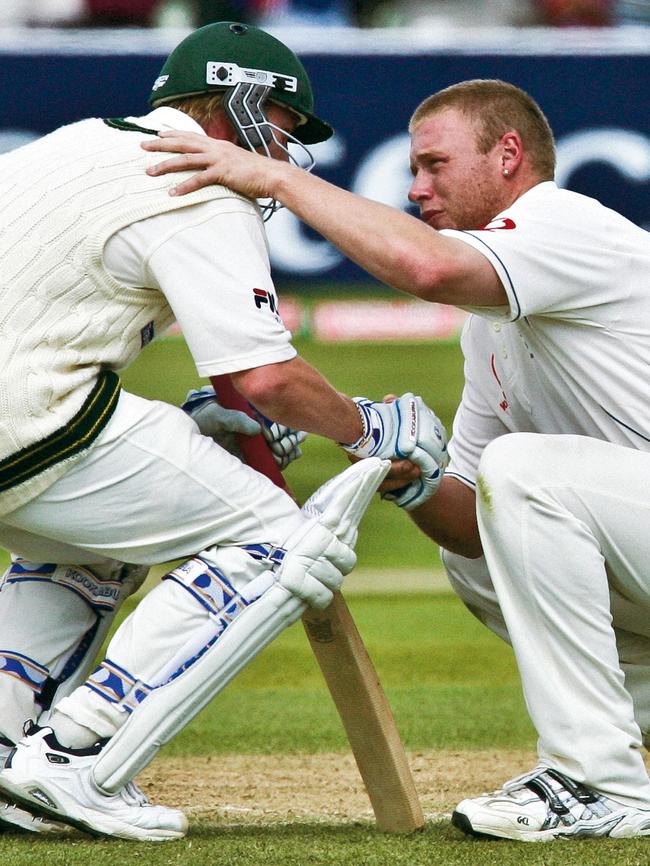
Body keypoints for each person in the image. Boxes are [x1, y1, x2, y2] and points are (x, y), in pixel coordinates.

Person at [139, 77, 650, 842]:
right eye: (412, 169)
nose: (416, 189)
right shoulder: (488, 329)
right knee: (484, 537)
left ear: (509, 154)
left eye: (434, 165)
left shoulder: (564, 221)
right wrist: (377, 452)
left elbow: (431, 270)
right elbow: (474, 521)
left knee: (521, 472)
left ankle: (599, 779)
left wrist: (276, 174)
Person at [0, 22, 448, 840]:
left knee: (96, 537)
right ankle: (73, 757)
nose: (284, 151)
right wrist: (367, 430)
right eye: (281, 125)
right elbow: (265, 377)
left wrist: (210, 416)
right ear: (241, 102)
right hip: (29, 423)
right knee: (283, 542)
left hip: (24, 423)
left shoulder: (79, 143)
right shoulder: (199, 182)